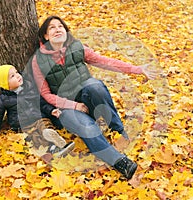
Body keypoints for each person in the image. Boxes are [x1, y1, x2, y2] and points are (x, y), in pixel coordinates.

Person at [29, 16, 159, 179]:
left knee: (95, 86)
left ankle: (117, 130)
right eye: (52, 28)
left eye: (60, 26)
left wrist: (137, 69)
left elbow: (104, 61)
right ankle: (120, 162)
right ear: (46, 36)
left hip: (88, 97)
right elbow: (46, 94)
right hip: (66, 107)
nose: (57, 29)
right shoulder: (38, 61)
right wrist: (74, 106)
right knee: (87, 128)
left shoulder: (76, 47)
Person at [0, 64, 74, 158]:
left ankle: (51, 134)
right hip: (22, 125)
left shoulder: (29, 88)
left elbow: (41, 102)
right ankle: (53, 147)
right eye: (12, 76)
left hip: (38, 117)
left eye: (17, 72)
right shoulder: (4, 99)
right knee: (35, 137)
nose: (18, 76)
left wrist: (51, 110)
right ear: (5, 84)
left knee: (44, 125)